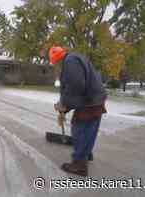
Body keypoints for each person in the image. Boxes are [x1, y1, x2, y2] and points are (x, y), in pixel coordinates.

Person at [49, 46, 107, 177]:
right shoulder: (74, 58)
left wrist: (64, 105)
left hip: (89, 101)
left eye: (55, 64)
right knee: (89, 129)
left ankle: (79, 164)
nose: (56, 67)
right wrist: (65, 106)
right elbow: (72, 87)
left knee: (79, 129)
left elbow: (75, 85)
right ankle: (86, 154)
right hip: (94, 99)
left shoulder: (70, 62)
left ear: (57, 60)